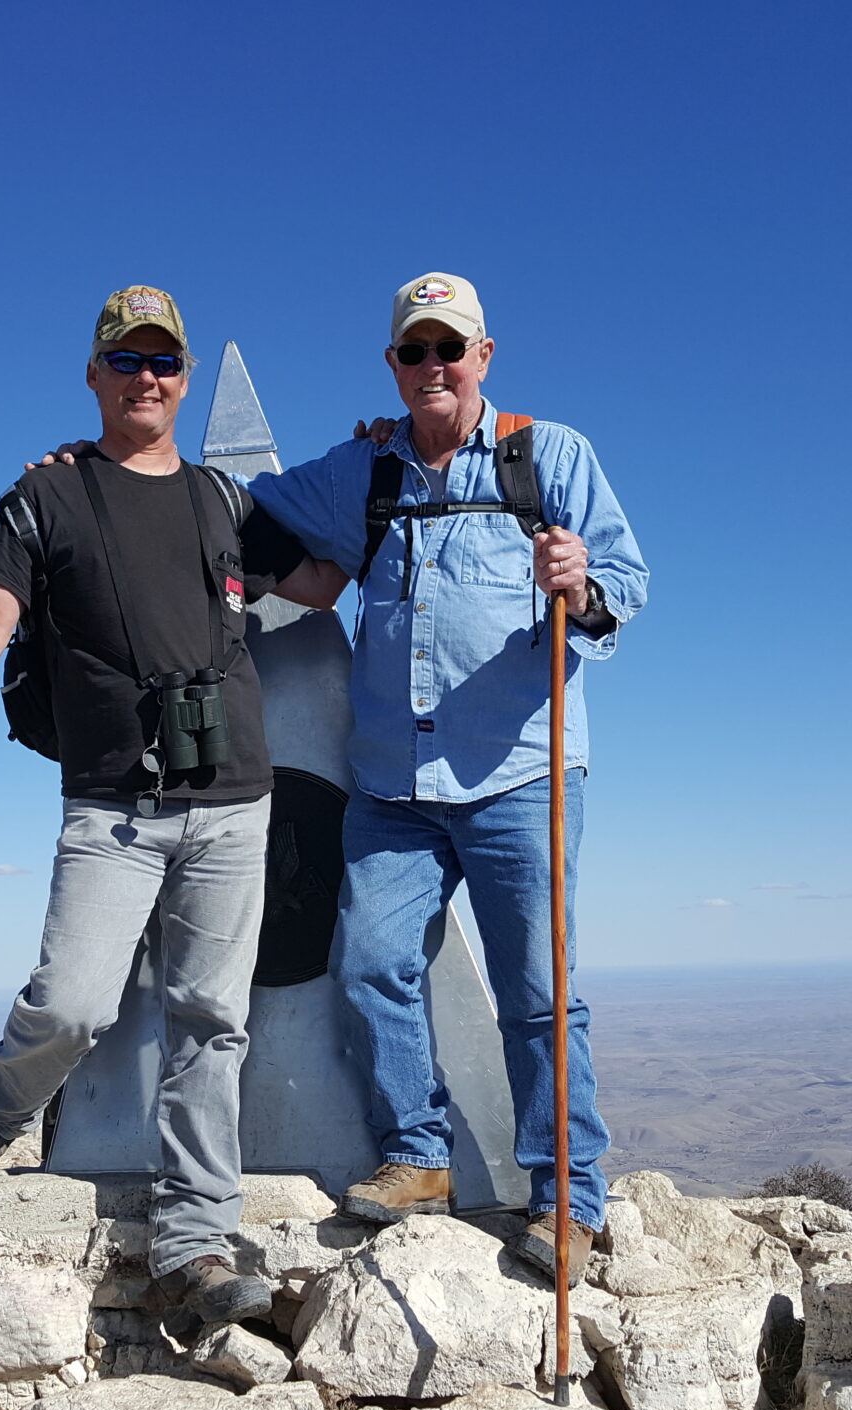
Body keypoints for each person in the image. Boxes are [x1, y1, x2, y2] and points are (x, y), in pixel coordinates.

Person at [0, 285, 344, 1326]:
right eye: (125, 361)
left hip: (234, 799)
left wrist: (381, 475)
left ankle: (193, 1245)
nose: (147, 378)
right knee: (73, 1005)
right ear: (93, 375)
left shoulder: (223, 500)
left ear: (179, 377)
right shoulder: (47, 497)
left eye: (162, 362)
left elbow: (313, 583)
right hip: (113, 809)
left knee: (213, 1023)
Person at [242, 272, 648, 1280]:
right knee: (374, 963)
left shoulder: (549, 456)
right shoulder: (364, 468)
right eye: (414, 351)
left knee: (538, 994)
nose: (433, 367)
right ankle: (419, 1156)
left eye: (449, 349)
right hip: (392, 783)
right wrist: (114, 469)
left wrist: (580, 588)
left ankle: (566, 1196)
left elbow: (626, 587)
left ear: (484, 356)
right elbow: (242, 506)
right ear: (392, 364)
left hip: (520, 773)